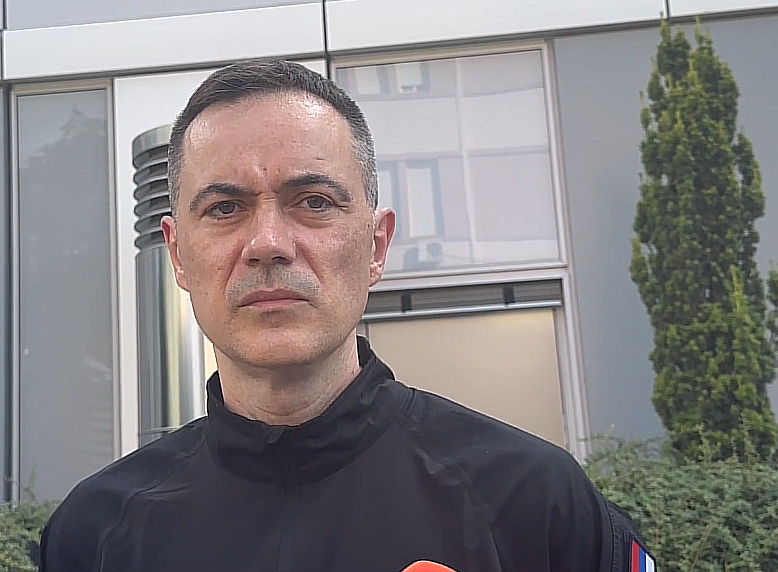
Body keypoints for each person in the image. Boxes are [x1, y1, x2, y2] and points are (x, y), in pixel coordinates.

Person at [39, 59, 654, 572]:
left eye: (313, 202)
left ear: (377, 246)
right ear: (177, 254)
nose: (267, 244)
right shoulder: (92, 537)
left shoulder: (534, 505)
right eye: (225, 208)